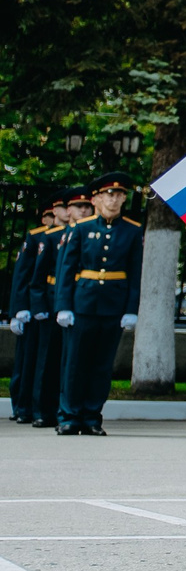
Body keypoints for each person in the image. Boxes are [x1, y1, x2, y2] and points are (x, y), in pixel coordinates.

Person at [51, 173, 145, 435]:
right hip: (82, 304)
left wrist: (130, 310)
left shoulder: (132, 230)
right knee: (75, 363)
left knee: (102, 365)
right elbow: (67, 270)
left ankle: (92, 416)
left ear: (125, 198)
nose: (114, 199)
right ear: (98, 198)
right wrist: (64, 305)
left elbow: (134, 273)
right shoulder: (81, 229)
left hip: (112, 306)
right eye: (109, 194)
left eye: (119, 194)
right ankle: (69, 415)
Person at [11, 195, 69, 426]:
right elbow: (24, 276)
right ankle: (23, 406)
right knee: (29, 361)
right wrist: (20, 308)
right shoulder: (38, 238)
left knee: (48, 359)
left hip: (55, 304)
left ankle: (41, 407)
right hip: (37, 306)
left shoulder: (73, 236)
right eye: (65, 207)